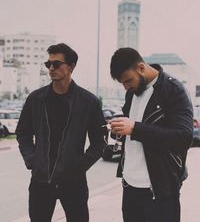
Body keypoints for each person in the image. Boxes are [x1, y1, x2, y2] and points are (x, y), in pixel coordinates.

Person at [16, 43, 106, 222]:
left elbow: (99, 142)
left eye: (56, 64)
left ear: (71, 66)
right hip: (41, 182)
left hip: (74, 182)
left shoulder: (88, 102)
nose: (51, 68)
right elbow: (23, 132)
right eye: (48, 64)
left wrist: (79, 166)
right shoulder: (36, 99)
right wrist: (32, 159)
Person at [109, 47, 193, 222]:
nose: (126, 86)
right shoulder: (132, 93)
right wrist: (121, 131)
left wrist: (135, 129)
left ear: (141, 68)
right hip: (129, 185)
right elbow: (134, 131)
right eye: (122, 83)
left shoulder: (173, 89)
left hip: (160, 189)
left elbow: (184, 137)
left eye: (128, 80)